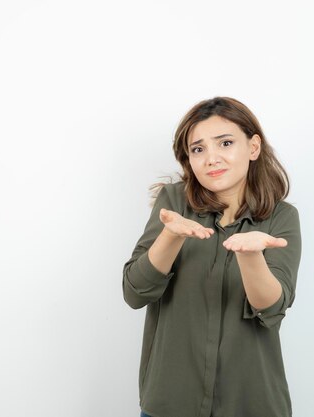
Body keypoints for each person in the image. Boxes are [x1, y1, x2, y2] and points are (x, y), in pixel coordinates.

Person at [122, 96, 303, 417]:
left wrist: (250, 256)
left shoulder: (281, 217)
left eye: (226, 143)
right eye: (198, 149)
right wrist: (171, 235)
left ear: (253, 147)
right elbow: (135, 293)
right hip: (169, 402)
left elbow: (273, 309)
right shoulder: (174, 202)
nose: (211, 158)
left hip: (251, 403)